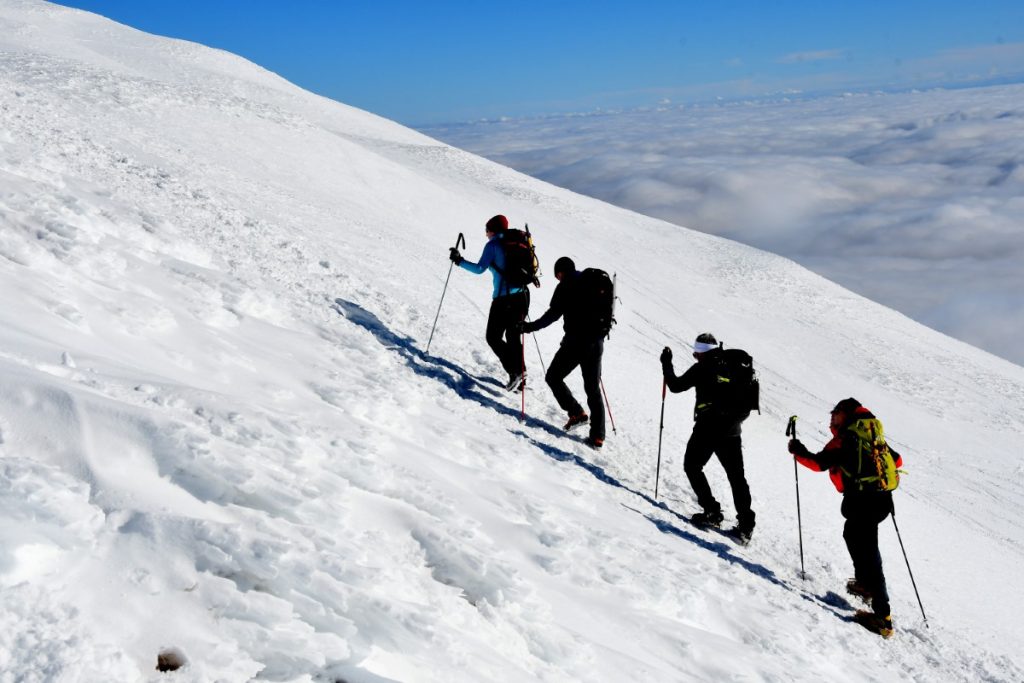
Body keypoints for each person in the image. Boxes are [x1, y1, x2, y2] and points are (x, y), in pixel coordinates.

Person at [788, 398, 903, 638]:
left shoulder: (847, 438)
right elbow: (898, 460)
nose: (832, 417)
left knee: (870, 553)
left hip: (863, 502)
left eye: (836, 412)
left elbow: (819, 463)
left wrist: (797, 451)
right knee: (853, 535)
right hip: (881, 500)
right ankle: (864, 584)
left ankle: (883, 619)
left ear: (846, 414)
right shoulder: (873, 434)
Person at [660, 333, 756, 542]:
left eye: (696, 353)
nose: (695, 356)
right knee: (736, 476)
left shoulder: (703, 367)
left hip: (709, 427)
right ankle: (746, 526)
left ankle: (712, 511)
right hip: (732, 428)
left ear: (701, 353)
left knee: (692, 466)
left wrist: (666, 364)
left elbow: (676, 386)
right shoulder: (734, 364)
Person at [520, 257, 606, 449]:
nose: (558, 278)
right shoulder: (592, 281)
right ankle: (598, 436)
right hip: (596, 342)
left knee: (553, 376)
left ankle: (576, 413)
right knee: (593, 389)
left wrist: (529, 327)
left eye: (557, 275)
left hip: (576, 343)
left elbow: (552, 315)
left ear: (561, 272)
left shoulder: (565, 286)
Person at [449, 215, 530, 390]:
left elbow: (479, 269)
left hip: (503, 298)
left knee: (493, 337)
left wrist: (459, 261)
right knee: (513, 337)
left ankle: (515, 372)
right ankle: (520, 378)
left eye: (487, 230)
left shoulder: (493, 245)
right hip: (523, 295)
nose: (486, 234)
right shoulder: (519, 242)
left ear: (493, 230)